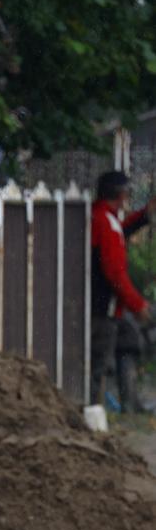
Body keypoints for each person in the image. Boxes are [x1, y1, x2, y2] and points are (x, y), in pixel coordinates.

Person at [90, 170, 153, 410]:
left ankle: (130, 402)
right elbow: (115, 273)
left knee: (129, 338)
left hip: (110, 307)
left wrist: (144, 216)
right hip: (103, 309)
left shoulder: (104, 217)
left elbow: (121, 230)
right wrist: (138, 305)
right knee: (98, 363)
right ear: (120, 193)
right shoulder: (105, 222)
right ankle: (94, 411)